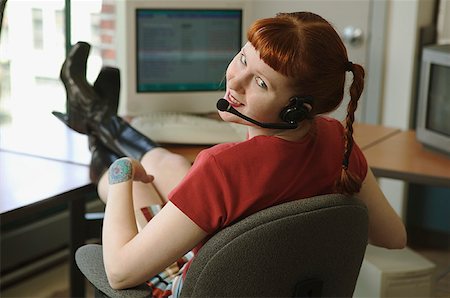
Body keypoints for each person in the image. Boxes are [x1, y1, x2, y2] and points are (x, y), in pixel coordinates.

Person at [54, 11, 406, 297]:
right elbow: (394, 237)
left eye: (261, 83)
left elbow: (118, 273)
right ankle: (99, 121)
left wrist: (121, 174)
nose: (235, 82)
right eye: (243, 59)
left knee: (124, 182)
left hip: (192, 286)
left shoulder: (223, 168)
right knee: (171, 163)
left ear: (295, 110)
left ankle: (99, 137)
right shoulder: (338, 141)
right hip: (259, 282)